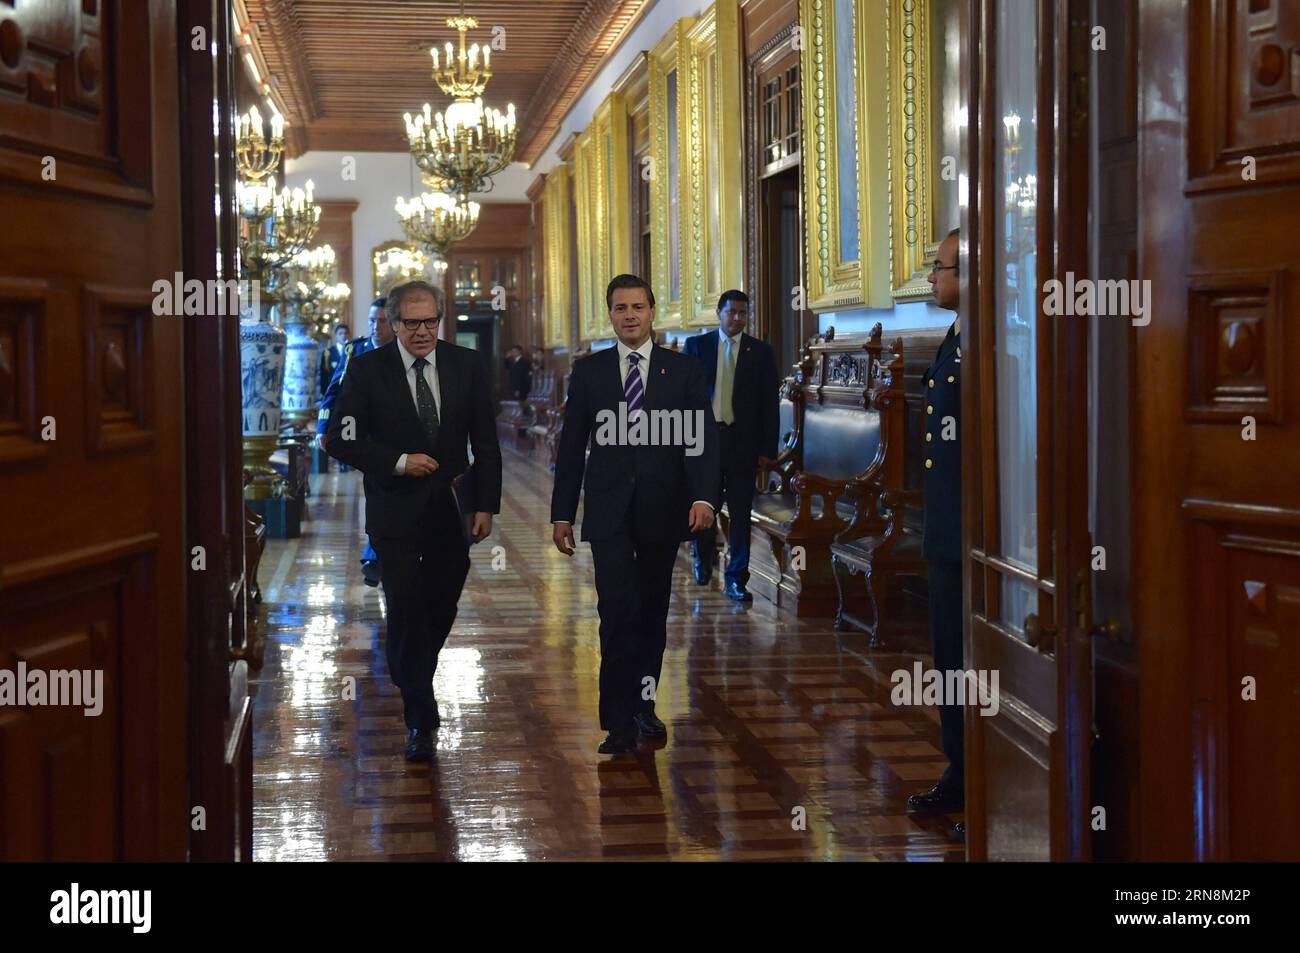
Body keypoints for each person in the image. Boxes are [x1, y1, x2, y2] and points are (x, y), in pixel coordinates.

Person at [326, 280, 501, 762]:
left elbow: (486, 442)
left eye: (430, 321)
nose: (422, 331)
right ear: (393, 322)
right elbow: (341, 440)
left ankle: (411, 669)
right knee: (404, 606)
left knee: (441, 603)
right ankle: (420, 719)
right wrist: (398, 461)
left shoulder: (465, 365)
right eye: (411, 322)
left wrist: (486, 505)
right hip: (394, 510)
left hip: (451, 510)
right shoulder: (366, 370)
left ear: (439, 320)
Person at [551, 274, 718, 755]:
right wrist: (562, 513)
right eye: (620, 308)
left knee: (650, 613)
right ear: (611, 315)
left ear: (651, 313)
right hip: (608, 513)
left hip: (662, 514)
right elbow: (571, 446)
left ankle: (645, 705)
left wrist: (705, 498)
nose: (629, 315)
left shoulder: (682, 370)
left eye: (638, 307)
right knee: (616, 611)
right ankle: (617, 720)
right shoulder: (590, 372)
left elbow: (700, 440)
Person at [906, 227, 965, 840]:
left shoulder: (998, 339)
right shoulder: (956, 337)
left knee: (976, 661)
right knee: (949, 658)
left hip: (975, 535)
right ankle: (962, 769)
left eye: (940, 268)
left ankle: (989, 778)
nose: (932, 278)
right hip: (946, 531)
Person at [683, 290, 779, 600]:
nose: (737, 318)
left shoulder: (760, 352)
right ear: (719, 313)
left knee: (740, 512)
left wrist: (767, 450)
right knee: (703, 504)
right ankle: (703, 555)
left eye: (742, 313)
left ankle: (737, 577)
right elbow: (682, 397)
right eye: (732, 312)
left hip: (742, 443)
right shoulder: (697, 347)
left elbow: (769, 405)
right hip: (705, 441)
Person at [318, 298, 393, 586]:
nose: (376, 327)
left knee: (384, 495)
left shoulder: (404, 350)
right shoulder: (355, 350)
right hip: (366, 436)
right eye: (372, 320)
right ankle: (376, 554)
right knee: (377, 493)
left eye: (383, 321)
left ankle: (377, 555)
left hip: (399, 436)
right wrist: (324, 427)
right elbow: (333, 389)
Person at [319, 323, 348, 395]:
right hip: (333, 391)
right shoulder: (328, 353)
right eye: (340, 334)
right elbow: (324, 375)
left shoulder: (353, 351)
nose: (343, 336)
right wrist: (324, 393)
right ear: (336, 336)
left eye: (345, 333)